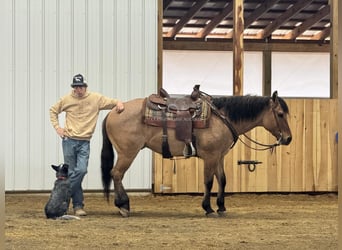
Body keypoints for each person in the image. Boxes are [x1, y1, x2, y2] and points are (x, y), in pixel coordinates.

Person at [49, 74, 124, 216]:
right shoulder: (66, 99)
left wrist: (119, 103)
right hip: (69, 140)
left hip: (84, 141)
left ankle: (64, 194)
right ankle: (78, 206)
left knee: (81, 170)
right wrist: (57, 127)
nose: (78, 90)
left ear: (85, 87)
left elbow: (112, 102)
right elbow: (53, 110)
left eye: (81, 87)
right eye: (76, 87)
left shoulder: (95, 99)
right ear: (73, 88)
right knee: (71, 172)